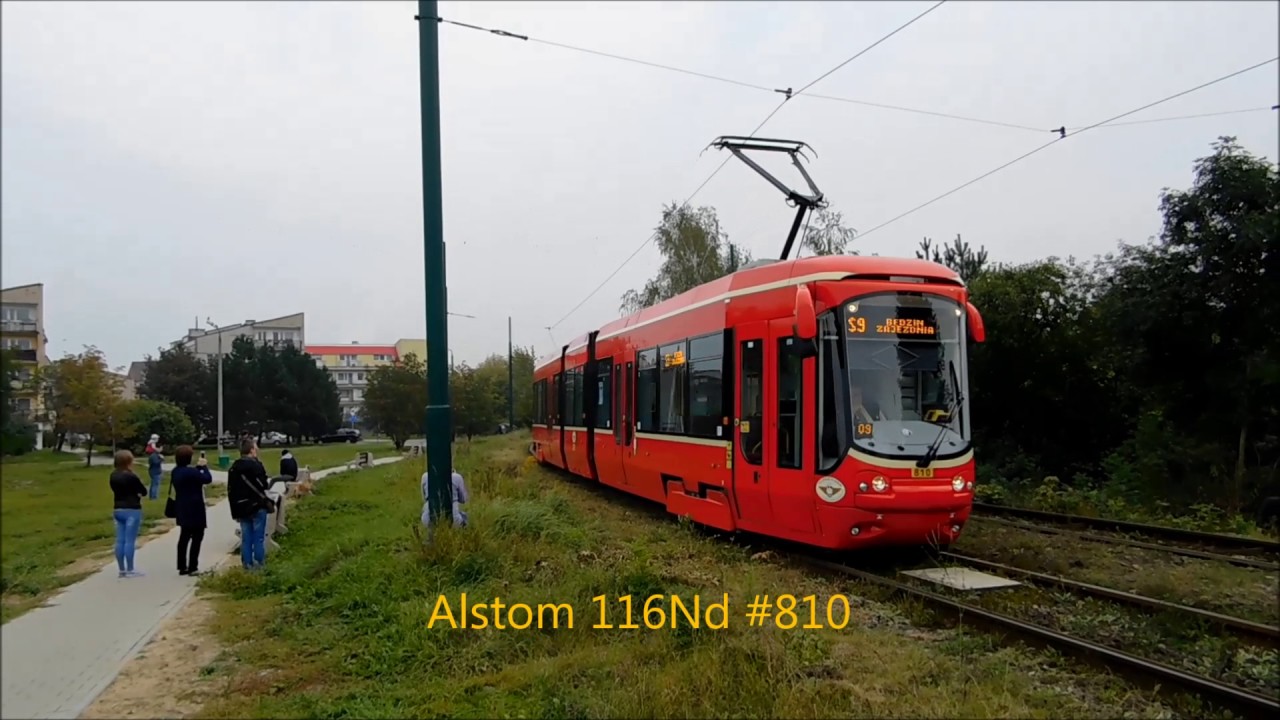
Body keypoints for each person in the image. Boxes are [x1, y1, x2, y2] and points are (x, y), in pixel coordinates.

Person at [228, 436, 271, 570]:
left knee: (246, 538)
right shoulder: (256, 465)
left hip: (241, 506)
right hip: (257, 505)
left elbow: (231, 490)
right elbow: (264, 485)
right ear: (252, 450)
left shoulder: (234, 468)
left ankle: (247, 565)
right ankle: (259, 564)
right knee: (258, 538)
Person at [171, 445, 214, 576]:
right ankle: (193, 566)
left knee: (184, 537)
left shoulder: (176, 471)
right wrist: (204, 467)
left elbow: (193, 476)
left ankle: (182, 566)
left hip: (182, 506)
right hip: (195, 508)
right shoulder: (191, 472)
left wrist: (198, 468)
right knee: (197, 537)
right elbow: (207, 479)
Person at [109, 449, 148, 578]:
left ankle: (121, 570)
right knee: (129, 541)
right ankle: (130, 568)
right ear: (129, 462)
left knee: (120, 540)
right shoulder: (131, 476)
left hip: (118, 508)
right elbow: (143, 491)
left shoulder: (113, 475)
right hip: (132, 509)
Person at [145, 435, 164, 500]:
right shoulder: (153, 453)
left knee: (153, 484)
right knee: (155, 484)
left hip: (153, 471)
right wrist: (161, 459)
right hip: (155, 471)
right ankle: (154, 497)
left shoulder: (153, 453)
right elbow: (156, 463)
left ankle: (152, 496)